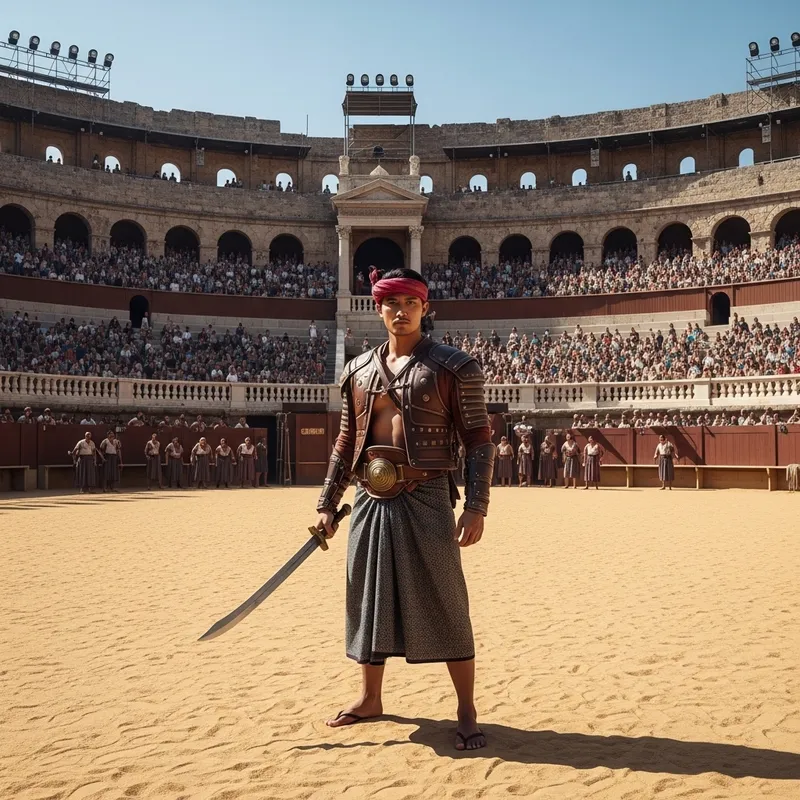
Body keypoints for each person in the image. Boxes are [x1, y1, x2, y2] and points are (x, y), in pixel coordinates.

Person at [316, 266, 494, 751]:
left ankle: (465, 707)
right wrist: (328, 505)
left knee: (446, 600)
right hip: (370, 498)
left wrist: (476, 505)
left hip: (427, 494)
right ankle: (370, 697)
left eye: (409, 303)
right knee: (368, 598)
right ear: (378, 308)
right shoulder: (356, 370)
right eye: (391, 303)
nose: (400, 311)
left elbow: (479, 439)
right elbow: (347, 441)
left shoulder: (454, 366)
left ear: (424, 307)